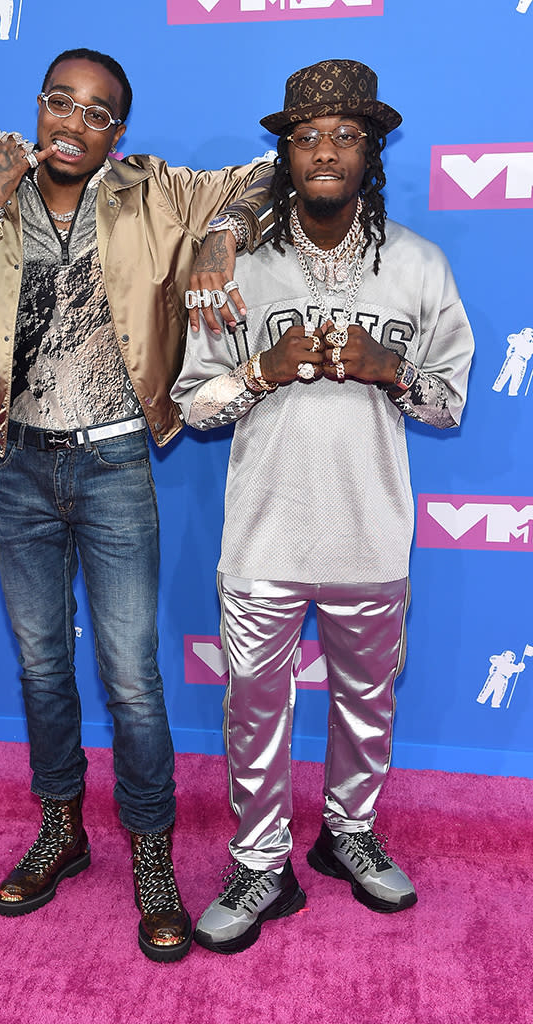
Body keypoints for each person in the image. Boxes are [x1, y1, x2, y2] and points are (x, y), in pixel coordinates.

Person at [0, 47, 272, 963]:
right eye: (60, 103)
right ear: (37, 108)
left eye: (99, 113)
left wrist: (222, 230)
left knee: (133, 681)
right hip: (22, 468)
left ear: (120, 132)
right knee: (40, 668)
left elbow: (269, 172)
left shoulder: (150, 193)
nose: (74, 124)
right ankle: (62, 829)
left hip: (114, 465)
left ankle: (152, 858)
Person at [172, 59, 474, 955]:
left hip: (371, 533)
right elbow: (191, 403)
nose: (326, 151)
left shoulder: (418, 263)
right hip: (263, 534)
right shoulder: (235, 272)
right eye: (308, 137)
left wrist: (394, 372)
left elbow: (451, 401)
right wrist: (261, 371)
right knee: (255, 713)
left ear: (372, 152)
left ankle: (348, 834)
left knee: (365, 703)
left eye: (346, 135)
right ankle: (262, 860)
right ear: (286, 155)